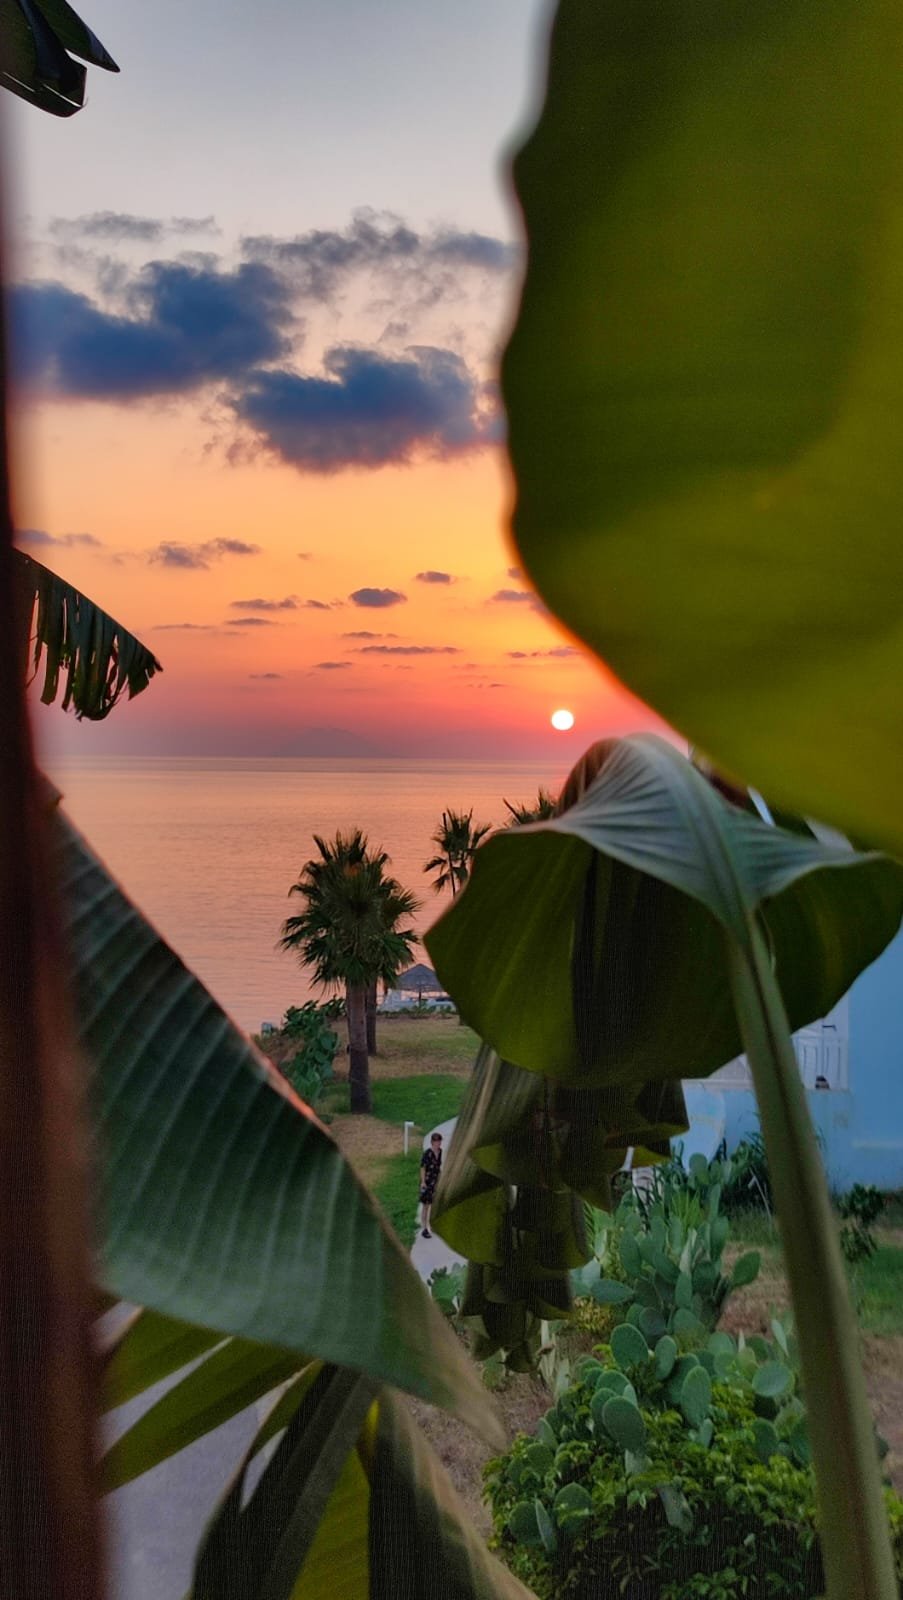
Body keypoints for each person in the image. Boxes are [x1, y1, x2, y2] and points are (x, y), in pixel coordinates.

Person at [419, 1131, 443, 1238]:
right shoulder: (427, 1153)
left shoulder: (440, 1152)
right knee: (426, 1206)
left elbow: (438, 1167)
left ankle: (431, 1225)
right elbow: (422, 1168)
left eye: (439, 1141)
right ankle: (424, 1228)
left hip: (436, 1182)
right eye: (436, 1141)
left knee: (433, 1205)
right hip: (428, 1183)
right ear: (432, 1142)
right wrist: (423, 1182)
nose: (438, 1143)